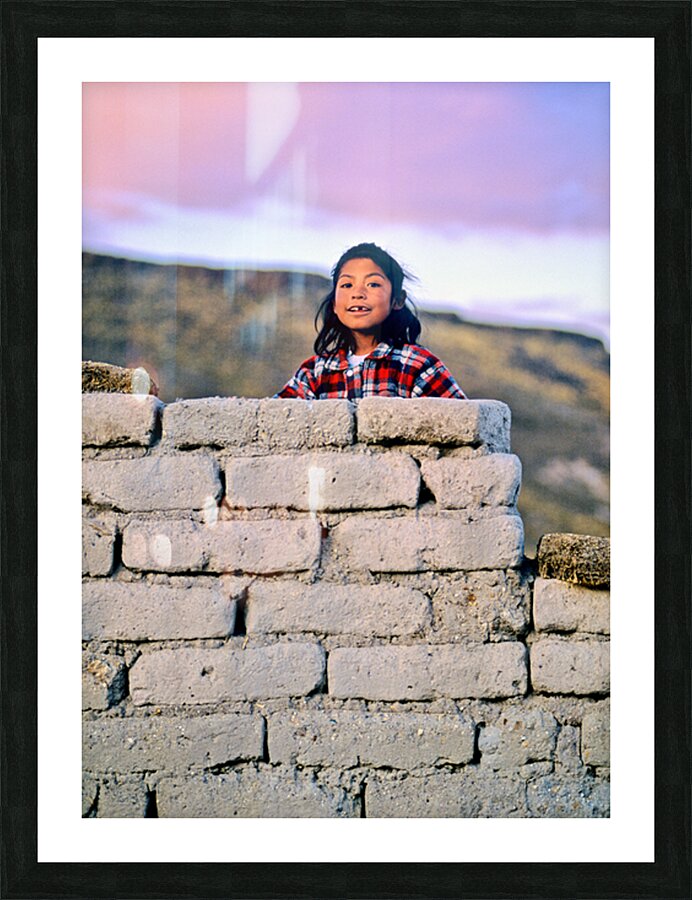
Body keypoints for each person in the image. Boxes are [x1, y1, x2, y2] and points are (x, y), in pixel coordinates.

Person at [275, 242, 467, 400]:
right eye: (347, 285)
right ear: (334, 303)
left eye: (373, 284)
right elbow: (276, 420)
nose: (358, 293)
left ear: (398, 300)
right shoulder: (314, 373)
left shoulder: (416, 365)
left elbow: (462, 422)